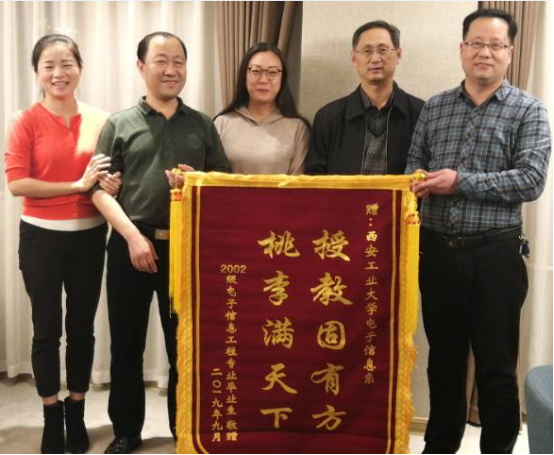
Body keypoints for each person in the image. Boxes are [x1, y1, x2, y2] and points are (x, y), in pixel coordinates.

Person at [406, 9, 551, 454]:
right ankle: (440, 445)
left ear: (510, 52)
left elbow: (531, 180)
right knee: (443, 362)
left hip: (495, 256)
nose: (484, 52)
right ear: (462, 48)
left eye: (495, 45)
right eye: (476, 43)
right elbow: (414, 163)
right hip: (436, 254)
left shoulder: (529, 110)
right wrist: (416, 181)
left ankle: (498, 448)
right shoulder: (436, 107)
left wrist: (460, 182)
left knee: (496, 367)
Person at [91, 31, 230, 454]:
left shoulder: (202, 124)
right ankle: (126, 431)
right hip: (130, 244)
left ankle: (183, 430)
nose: (171, 70)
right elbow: (98, 192)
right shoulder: (119, 124)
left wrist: (198, 181)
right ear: (141, 67)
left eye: (178, 62)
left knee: (183, 346)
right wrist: (133, 237)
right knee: (126, 345)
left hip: (186, 252)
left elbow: (224, 184)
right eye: (161, 61)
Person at [4, 34, 120, 454]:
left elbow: (108, 177)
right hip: (41, 238)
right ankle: (51, 415)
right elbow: (18, 184)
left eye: (67, 64)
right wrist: (76, 185)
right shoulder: (24, 120)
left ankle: (77, 411)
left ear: (80, 69)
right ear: (37, 73)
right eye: (49, 66)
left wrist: (112, 183)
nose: (59, 73)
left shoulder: (102, 120)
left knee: (82, 329)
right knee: (46, 330)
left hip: (89, 236)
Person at [305, 20, 424, 175]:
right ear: (354, 59)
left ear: (398, 55)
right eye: (367, 51)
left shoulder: (422, 113)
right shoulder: (328, 117)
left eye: (383, 50)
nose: (375, 59)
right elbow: (314, 179)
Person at [214, 42, 310, 175]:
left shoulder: (297, 128)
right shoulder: (222, 123)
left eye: (272, 72)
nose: (263, 80)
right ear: (244, 75)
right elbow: (209, 178)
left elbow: (298, 184)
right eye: (256, 71)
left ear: (282, 78)